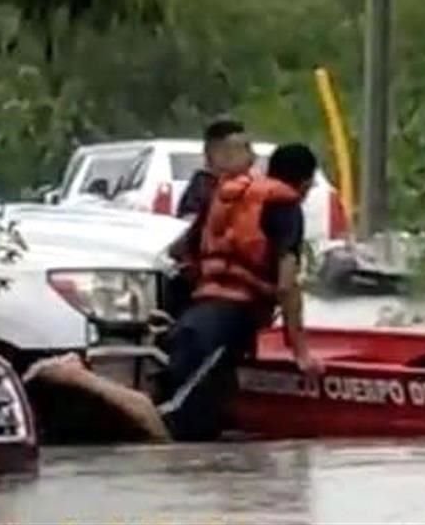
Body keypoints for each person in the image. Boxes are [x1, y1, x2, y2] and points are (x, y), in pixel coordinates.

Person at [24, 143, 324, 443]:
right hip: (225, 327)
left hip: (195, 316)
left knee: (192, 417)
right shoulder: (286, 207)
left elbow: (181, 255)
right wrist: (302, 353)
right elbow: (287, 285)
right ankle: (72, 374)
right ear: (306, 183)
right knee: (168, 429)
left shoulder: (228, 196)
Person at [165, 118, 254, 317]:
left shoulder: (248, 190)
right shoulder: (203, 191)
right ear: (215, 154)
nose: (251, 157)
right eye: (242, 149)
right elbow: (185, 240)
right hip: (206, 291)